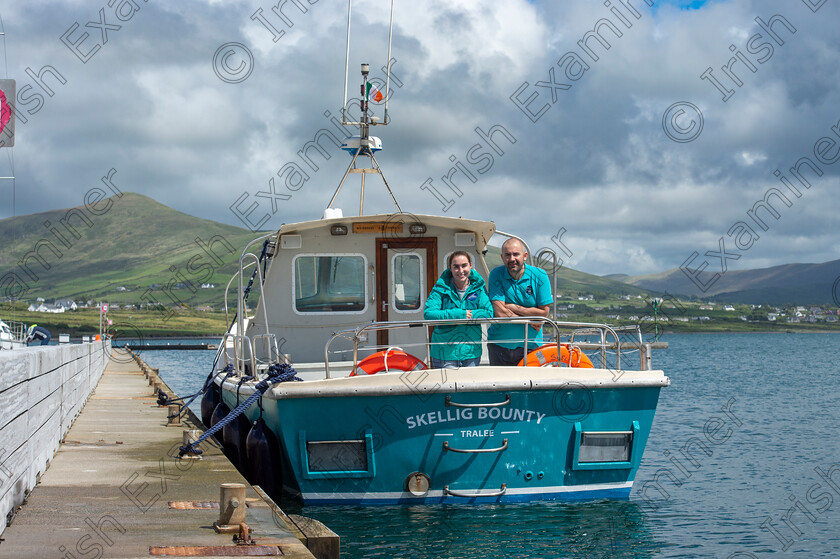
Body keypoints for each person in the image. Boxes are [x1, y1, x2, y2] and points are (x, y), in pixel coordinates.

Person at [487, 238, 552, 366]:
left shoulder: (540, 276)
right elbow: (500, 313)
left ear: (525, 256)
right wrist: (530, 320)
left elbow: (544, 313)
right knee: (501, 386)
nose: (512, 259)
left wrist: (511, 306)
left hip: (531, 346)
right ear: (502, 257)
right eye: (507, 255)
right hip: (499, 347)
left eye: (516, 254)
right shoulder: (496, 275)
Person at [423, 251, 493, 368]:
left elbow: (488, 313)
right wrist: (460, 314)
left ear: (470, 265)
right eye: (456, 267)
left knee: (470, 386)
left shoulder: (479, 288)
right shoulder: (440, 288)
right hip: (445, 354)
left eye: (464, 265)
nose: (461, 271)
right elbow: (429, 314)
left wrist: (470, 315)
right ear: (450, 268)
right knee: (447, 387)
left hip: (471, 353)